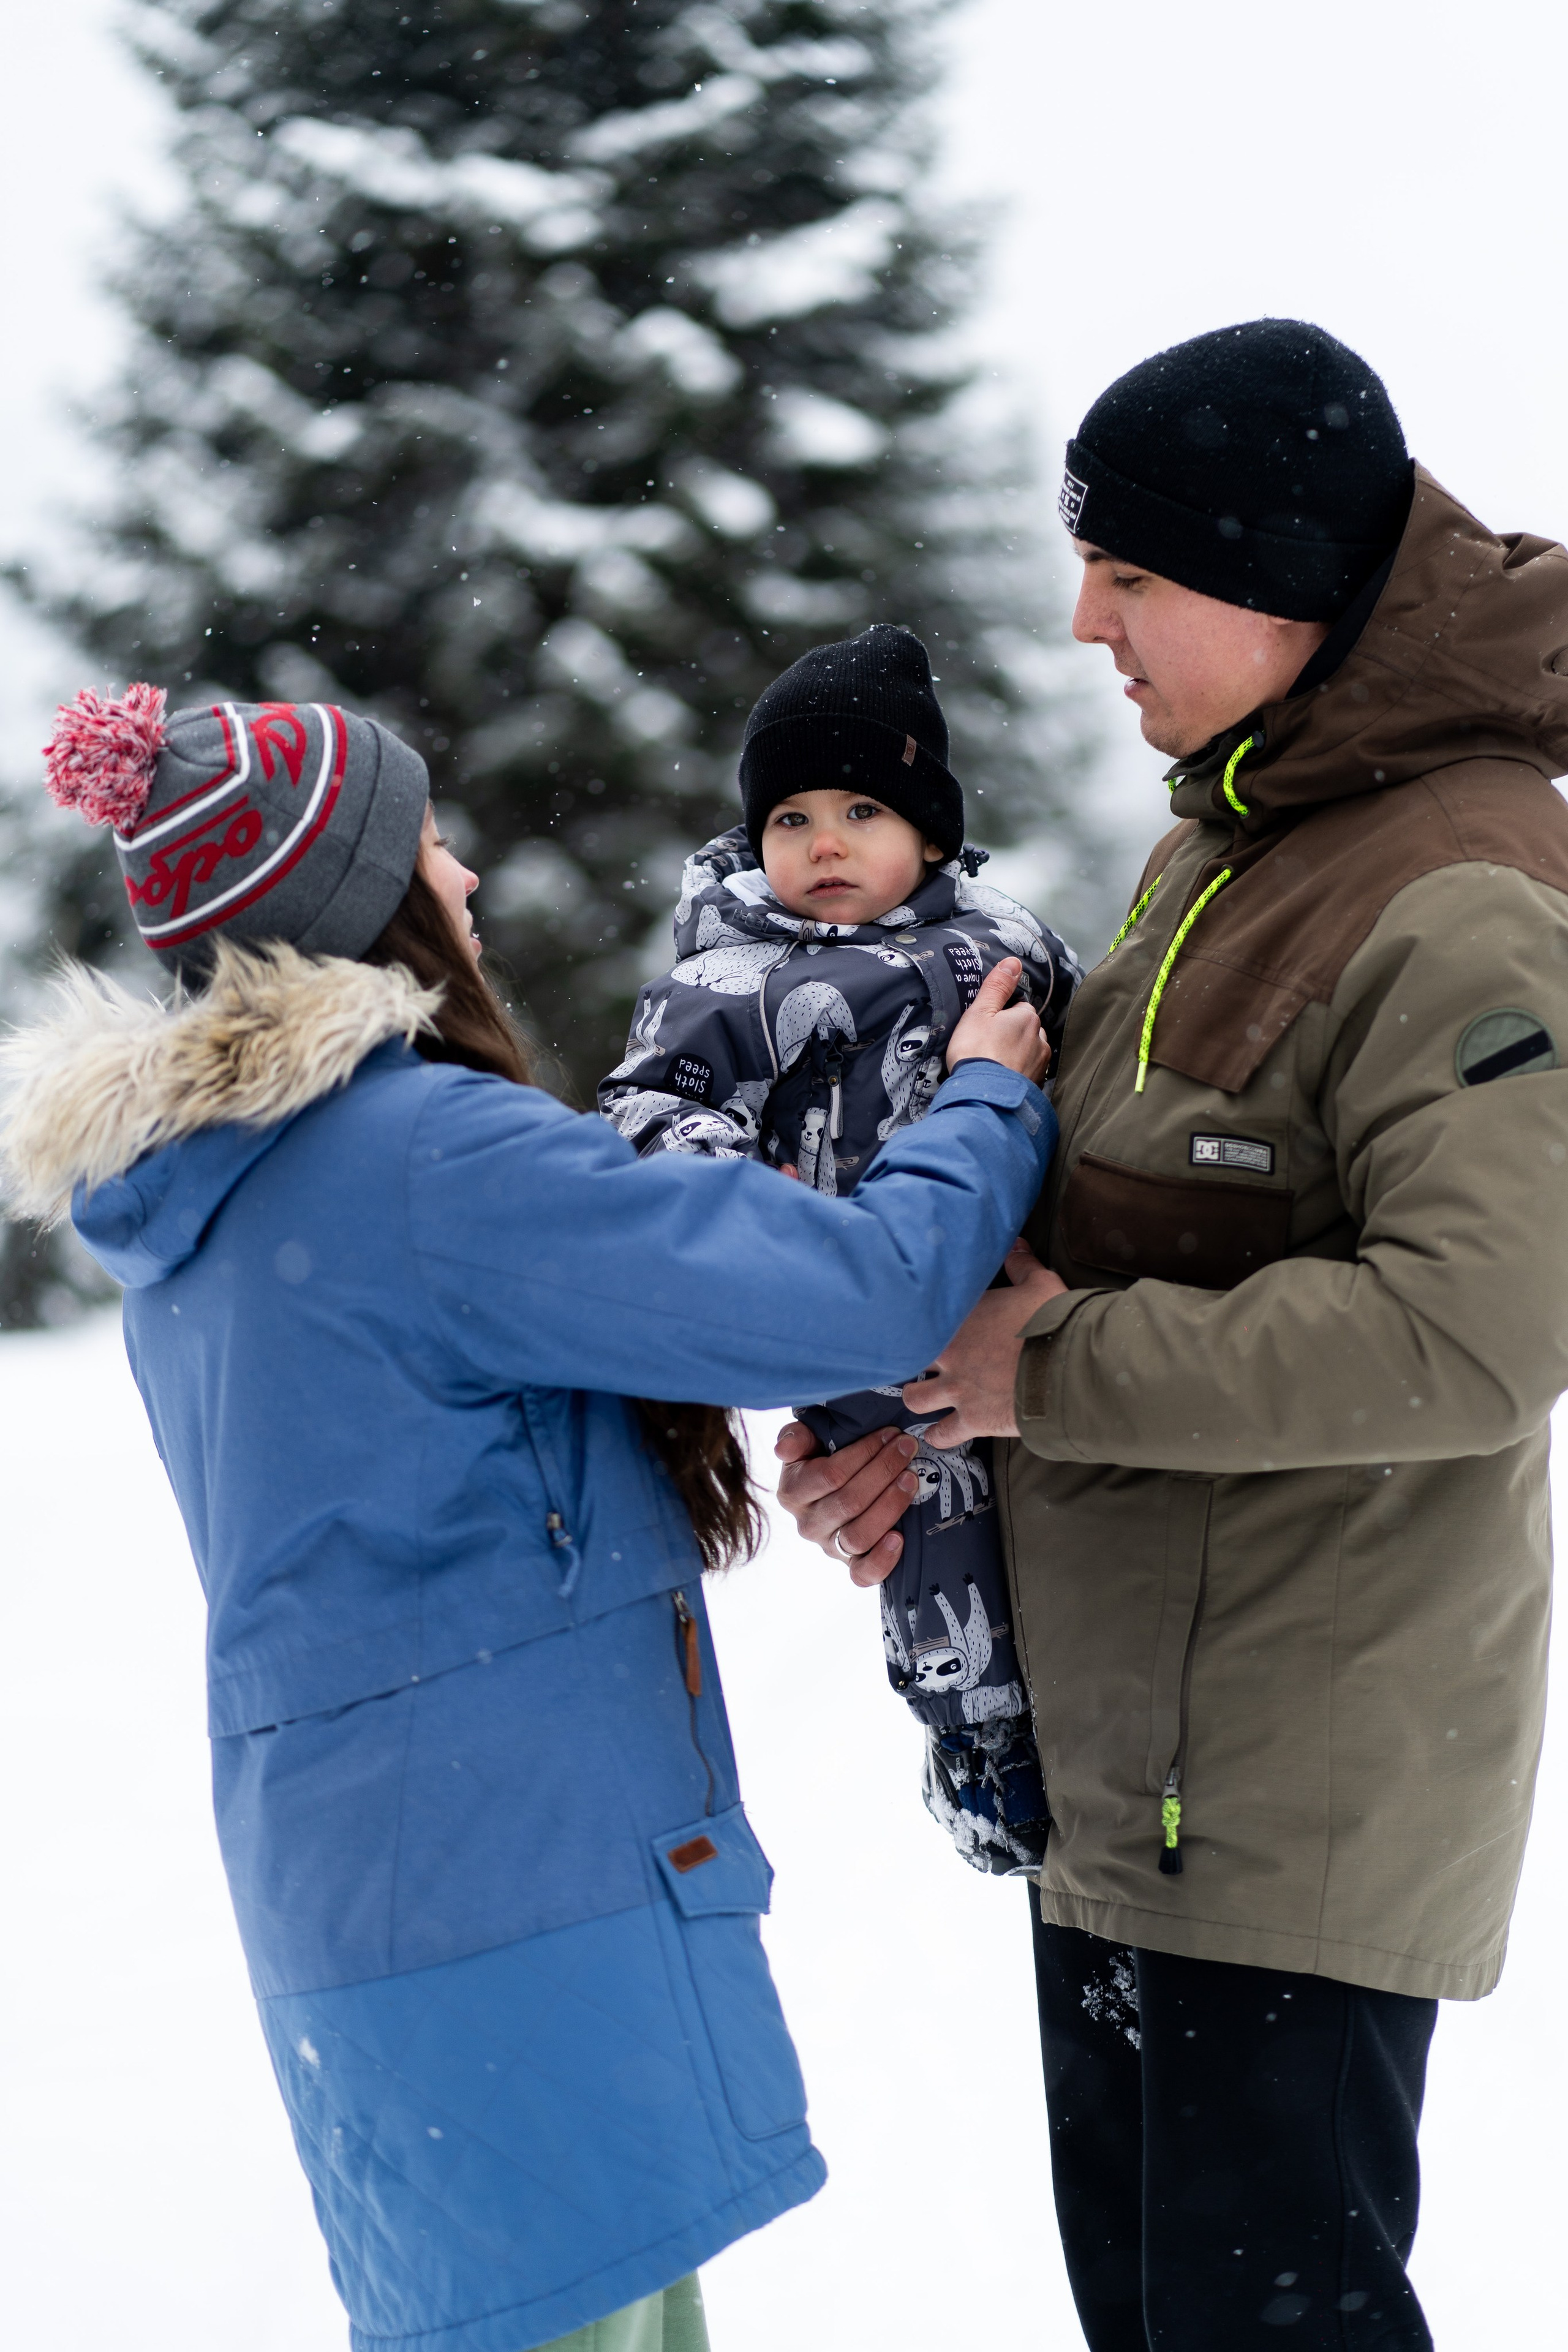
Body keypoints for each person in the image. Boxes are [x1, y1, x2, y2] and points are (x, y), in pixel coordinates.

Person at [0, 686, 1055, 2352]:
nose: (469, 879)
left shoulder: (198, 1207)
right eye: (428, 847)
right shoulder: (413, 1160)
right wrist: (984, 1097)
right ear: (360, 903)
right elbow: (862, 1294)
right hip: (525, 1912)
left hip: (378, 1922)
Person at [775, 318, 1568, 2351]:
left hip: (1285, 1796)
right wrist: (919, 1392)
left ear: (1281, 576)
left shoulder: (1462, 888)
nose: (1082, 617)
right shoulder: (1239, 834)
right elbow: (1128, 1214)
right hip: (1141, 1772)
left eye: (1130, 572)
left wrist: (1048, 1371)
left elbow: (1479, 1329)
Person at [599, 624, 1080, 1872]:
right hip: (849, 1308)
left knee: (1046, 1538)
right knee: (924, 1536)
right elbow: (651, 1100)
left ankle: (1072, 1732)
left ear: (930, 834)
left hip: (1008, 1300)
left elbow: (1098, 1062)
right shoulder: (723, 975)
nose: (820, 843)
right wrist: (715, 1174)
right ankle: (977, 1748)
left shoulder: (1007, 944)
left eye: (860, 808)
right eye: (790, 817)